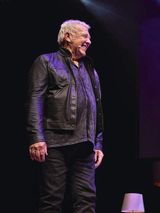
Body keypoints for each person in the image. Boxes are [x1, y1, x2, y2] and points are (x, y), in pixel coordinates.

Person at [26, 19, 104, 213]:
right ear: (68, 36)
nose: (89, 41)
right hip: (55, 143)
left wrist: (98, 143)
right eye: (85, 36)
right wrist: (36, 138)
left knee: (86, 199)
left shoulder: (90, 69)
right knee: (52, 199)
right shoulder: (46, 61)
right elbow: (35, 99)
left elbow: (97, 108)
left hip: (85, 145)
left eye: (89, 37)